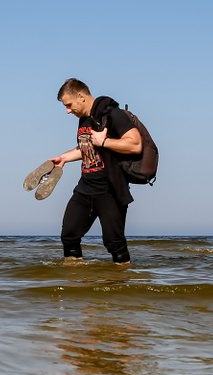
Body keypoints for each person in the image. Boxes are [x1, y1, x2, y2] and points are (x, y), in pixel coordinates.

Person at [49, 78, 142, 265]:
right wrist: (65, 158)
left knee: (114, 243)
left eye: (69, 105)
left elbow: (135, 144)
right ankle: (76, 281)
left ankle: (122, 284)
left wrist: (104, 142)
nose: (67, 111)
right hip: (85, 187)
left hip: (110, 189)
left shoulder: (113, 114)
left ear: (81, 96)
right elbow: (87, 149)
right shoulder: (83, 119)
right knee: (69, 235)